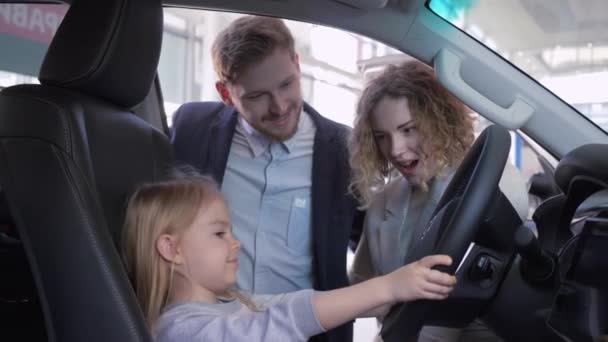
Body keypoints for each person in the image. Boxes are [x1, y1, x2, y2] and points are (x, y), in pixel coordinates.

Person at [170, 15, 362, 342]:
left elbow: (376, 235)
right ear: (226, 93)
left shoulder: (345, 150)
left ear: (297, 65)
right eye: (257, 95)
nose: (279, 107)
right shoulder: (192, 128)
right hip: (209, 331)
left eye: (287, 84)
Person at [121, 174, 457, 342]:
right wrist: (389, 288)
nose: (236, 244)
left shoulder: (229, 303)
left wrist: (392, 299)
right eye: (220, 233)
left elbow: (292, 303)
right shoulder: (182, 331)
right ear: (171, 249)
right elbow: (279, 321)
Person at [348, 60, 528, 341]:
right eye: (382, 136)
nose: (395, 150)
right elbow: (361, 285)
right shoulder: (383, 202)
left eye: (408, 129)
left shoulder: (491, 185)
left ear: (440, 120)